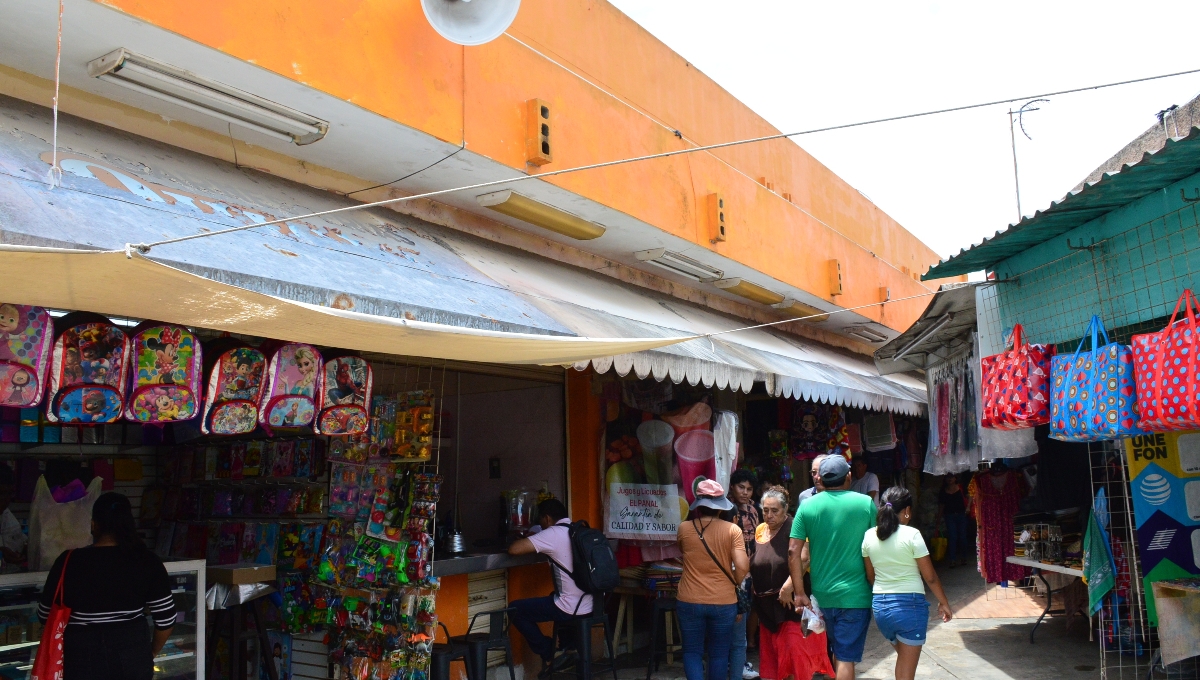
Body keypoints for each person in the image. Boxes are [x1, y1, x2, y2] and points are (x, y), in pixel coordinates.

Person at [38, 492, 176, 680]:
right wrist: (148, 654)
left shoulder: (69, 561)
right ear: (129, 524)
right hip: (133, 655)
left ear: (94, 524)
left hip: (81, 658)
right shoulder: (147, 561)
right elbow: (166, 620)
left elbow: (45, 615)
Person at [788, 456, 876, 680]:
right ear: (848, 476)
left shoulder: (807, 506)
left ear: (822, 479)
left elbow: (793, 551)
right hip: (856, 595)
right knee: (845, 656)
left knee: (838, 650)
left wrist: (799, 593)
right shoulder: (865, 504)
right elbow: (876, 547)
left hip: (822, 595)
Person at [862, 487, 954, 680]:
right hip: (909, 608)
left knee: (904, 662)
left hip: (881, 608)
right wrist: (944, 602)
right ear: (907, 511)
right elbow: (930, 577)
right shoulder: (912, 534)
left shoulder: (869, 535)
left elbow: (870, 576)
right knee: (907, 670)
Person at [751, 486, 833, 680]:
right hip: (767, 606)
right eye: (765, 510)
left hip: (791, 604)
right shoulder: (760, 530)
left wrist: (789, 587)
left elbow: (804, 558)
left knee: (795, 657)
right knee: (776, 658)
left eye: (774, 511)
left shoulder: (796, 525)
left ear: (785, 509)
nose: (769, 515)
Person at [508, 499, 592, 677]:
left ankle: (549, 653)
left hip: (571, 608)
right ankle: (569, 648)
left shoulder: (553, 533)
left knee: (515, 610)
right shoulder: (581, 530)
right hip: (592, 604)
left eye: (540, 521)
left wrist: (530, 538)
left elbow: (514, 550)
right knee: (556, 595)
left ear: (546, 518)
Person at [677, 478, 749, 680]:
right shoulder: (732, 530)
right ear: (720, 508)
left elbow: (684, 552)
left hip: (689, 599)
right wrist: (733, 582)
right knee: (718, 653)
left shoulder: (684, 528)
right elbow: (743, 566)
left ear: (699, 505)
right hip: (723, 601)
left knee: (692, 651)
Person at [727, 469, 760, 680]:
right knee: (734, 620)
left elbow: (756, 541)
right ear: (732, 487)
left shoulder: (754, 510)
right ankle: (734, 664)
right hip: (730, 573)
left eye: (749, 489)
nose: (745, 492)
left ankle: (739, 662)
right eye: (741, 488)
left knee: (744, 615)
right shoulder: (727, 510)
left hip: (749, 573)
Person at [937, 473, 970, 566]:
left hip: (962, 515)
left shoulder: (961, 488)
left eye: (951, 477)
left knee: (962, 536)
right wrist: (938, 519)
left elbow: (970, 496)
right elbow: (941, 506)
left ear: (955, 478)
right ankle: (952, 560)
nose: (949, 479)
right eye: (947, 477)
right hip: (949, 516)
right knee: (953, 537)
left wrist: (968, 507)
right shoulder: (943, 491)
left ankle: (964, 558)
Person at [0, 465, 27, 568]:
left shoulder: (7, 515)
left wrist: (26, 549)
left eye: (10, 493)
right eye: (1, 493)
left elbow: (19, 540)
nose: (7, 500)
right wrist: (1, 554)